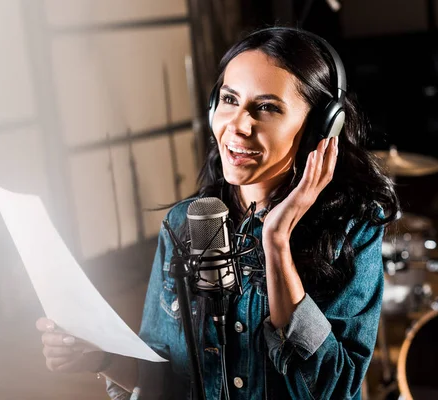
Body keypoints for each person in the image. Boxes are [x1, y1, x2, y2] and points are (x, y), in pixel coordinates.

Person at [36, 26, 399, 399]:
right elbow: (165, 380)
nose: (237, 126)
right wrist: (102, 358)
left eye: (267, 107)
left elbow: (333, 389)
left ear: (321, 128)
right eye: (229, 100)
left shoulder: (352, 229)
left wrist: (276, 242)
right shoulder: (185, 224)